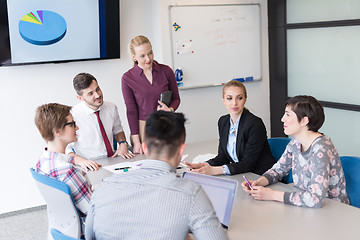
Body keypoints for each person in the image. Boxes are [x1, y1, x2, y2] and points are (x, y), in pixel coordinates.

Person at [85, 111, 228, 240]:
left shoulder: (105, 186)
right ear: (181, 150)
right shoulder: (191, 193)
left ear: (145, 147)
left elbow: (89, 236)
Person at [241, 95, 350, 208]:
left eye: (288, 115)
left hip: (331, 210)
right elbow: (278, 170)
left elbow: (315, 199)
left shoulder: (321, 149)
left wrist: (271, 195)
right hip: (304, 206)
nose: (282, 119)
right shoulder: (296, 142)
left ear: (304, 121)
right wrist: (258, 183)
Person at [186, 80, 275, 176]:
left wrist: (214, 171)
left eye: (239, 98)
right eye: (229, 98)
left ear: (245, 99)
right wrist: (204, 165)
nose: (234, 103)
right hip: (242, 174)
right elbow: (223, 156)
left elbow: (248, 163)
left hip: (261, 176)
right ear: (223, 100)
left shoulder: (255, 124)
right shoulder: (223, 122)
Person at [122, 35, 180, 154]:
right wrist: (136, 141)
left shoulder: (166, 71)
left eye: (150, 53)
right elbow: (131, 111)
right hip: (145, 128)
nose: (148, 58)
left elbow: (176, 99)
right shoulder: (127, 78)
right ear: (134, 57)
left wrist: (170, 109)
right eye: (142, 56)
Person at [33, 103, 92, 217]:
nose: (77, 127)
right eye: (72, 124)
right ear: (58, 132)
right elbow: (93, 211)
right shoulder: (68, 171)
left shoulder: (41, 162)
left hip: (65, 226)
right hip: (88, 228)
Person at [66, 73, 134, 171]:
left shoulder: (111, 107)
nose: (97, 95)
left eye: (97, 89)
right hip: (90, 165)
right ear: (80, 98)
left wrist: (123, 143)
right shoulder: (72, 115)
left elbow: (118, 130)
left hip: (113, 160)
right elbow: (66, 148)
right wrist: (80, 161)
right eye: (90, 93)